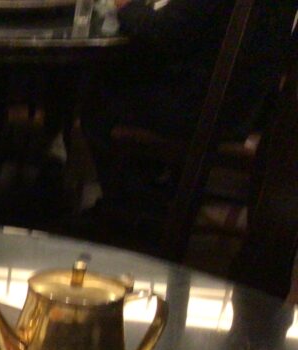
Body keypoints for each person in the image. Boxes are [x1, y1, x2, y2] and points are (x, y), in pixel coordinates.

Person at [81, 0, 298, 212]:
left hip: (206, 112)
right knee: (120, 82)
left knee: (99, 97)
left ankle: (131, 210)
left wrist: (127, 6)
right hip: (251, 109)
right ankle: (152, 197)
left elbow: (164, 31)